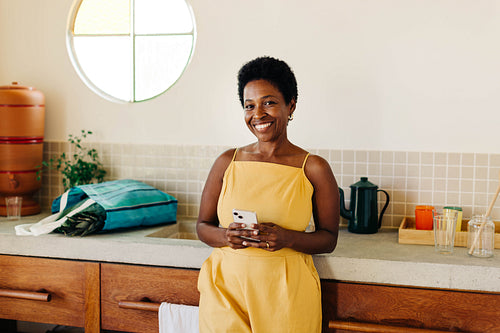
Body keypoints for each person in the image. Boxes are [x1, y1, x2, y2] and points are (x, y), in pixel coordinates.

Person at [196, 56, 340, 333]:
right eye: (249, 106)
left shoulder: (313, 167)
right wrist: (226, 236)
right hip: (226, 289)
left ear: (291, 105)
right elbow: (203, 227)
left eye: (269, 102)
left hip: (285, 295)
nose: (258, 114)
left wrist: (287, 238)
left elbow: (329, 239)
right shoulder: (227, 162)